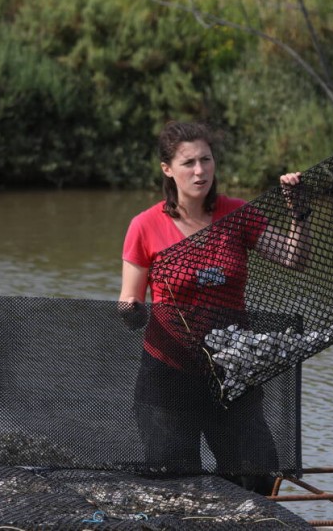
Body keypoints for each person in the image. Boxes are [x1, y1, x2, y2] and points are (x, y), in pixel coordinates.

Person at [119, 120, 311, 494]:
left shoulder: (237, 214)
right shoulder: (144, 225)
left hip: (232, 370)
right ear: (167, 169)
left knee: (256, 474)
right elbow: (130, 298)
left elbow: (294, 258)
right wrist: (131, 312)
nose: (200, 171)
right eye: (188, 162)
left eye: (206, 160)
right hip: (168, 373)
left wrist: (299, 213)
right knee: (176, 484)